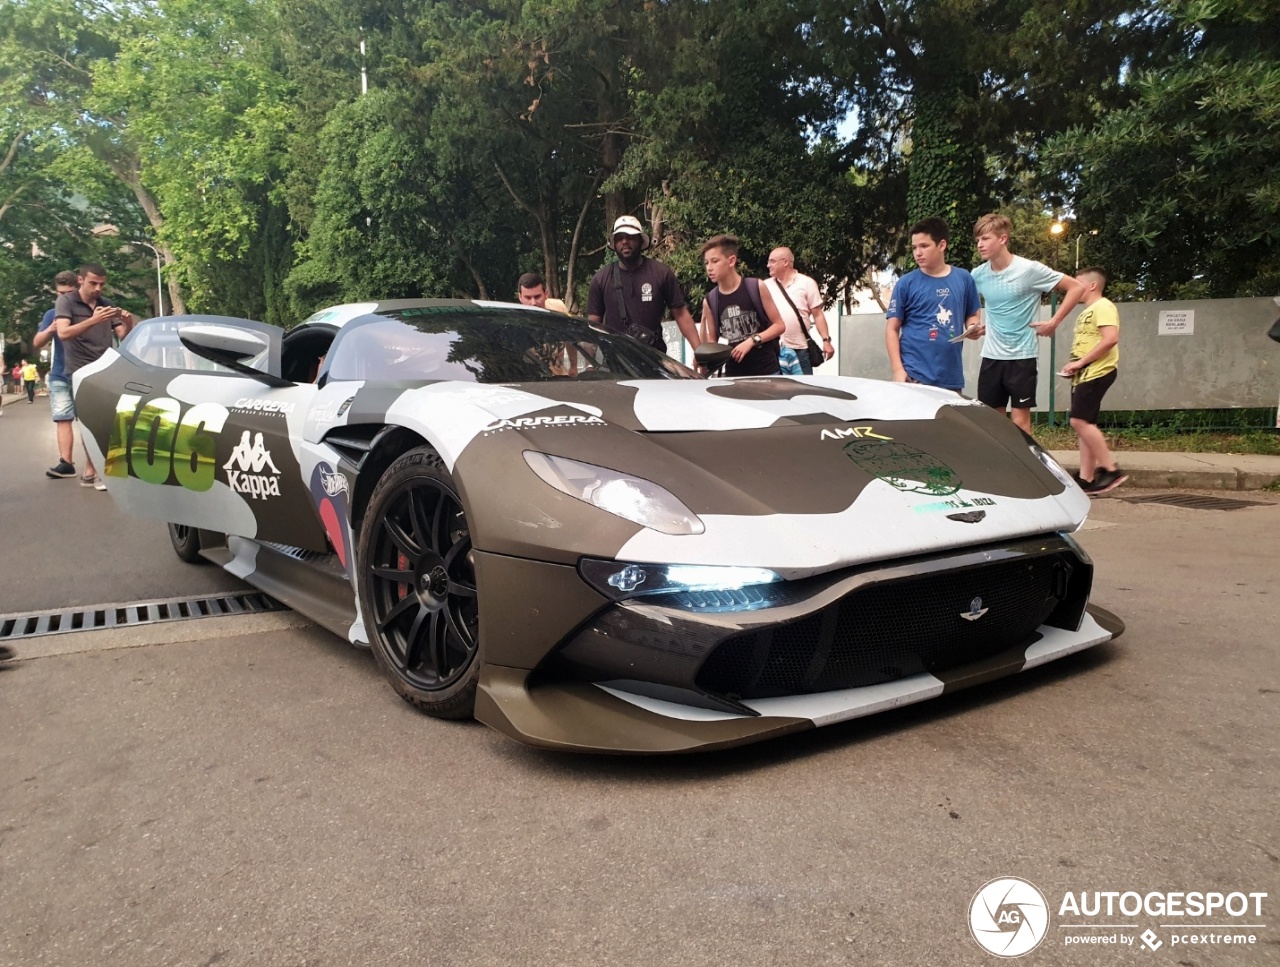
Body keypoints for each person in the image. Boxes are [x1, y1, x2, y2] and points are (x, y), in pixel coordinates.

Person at [971, 213, 1085, 433]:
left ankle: (1022, 467)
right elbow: (970, 305)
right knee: (993, 423)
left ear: (1002, 239)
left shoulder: (1028, 270)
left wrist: (1054, 322)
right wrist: (975, 326)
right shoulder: (978, 274)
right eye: (978, 240)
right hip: (991, 357)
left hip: (1022, 357)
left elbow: (1076, 288)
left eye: (985, 239)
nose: (980, 245)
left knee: (1020, 423)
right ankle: (1000, 467)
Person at [54, 263, 135, 490]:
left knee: (109, 419)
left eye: (102, 284)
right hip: (80, 370)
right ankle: (95, 471)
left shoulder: (106, 304)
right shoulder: (66, 301)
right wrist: (92, 321)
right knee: (90, 421)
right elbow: (63, 333)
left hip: (106, 368)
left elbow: (122, 336)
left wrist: (127, 321)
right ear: (80, 280)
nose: (98, 288)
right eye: (93, 283)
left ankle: (92, 471)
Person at [885, 218, 982, 392]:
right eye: (914, 248)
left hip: (951, 379)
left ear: (942, 245)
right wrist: (898, 370)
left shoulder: (964, 278)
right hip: (914, 378)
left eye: (924, 246)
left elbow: (972, 314)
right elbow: (892, 329)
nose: (918, 253)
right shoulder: (906, 283)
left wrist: (973, 327)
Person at [586, 215, 702, 354]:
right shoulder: (601, 279)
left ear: (641, 241)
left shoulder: (661, 273)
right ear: (614, 244)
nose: (625, 242)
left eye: (630, 237)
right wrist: (590, 365)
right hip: (616, 361)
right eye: (620, 238)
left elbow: (681, 313)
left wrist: (699, 352)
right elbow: (593, 324)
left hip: (654, 358)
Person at [1061, 266, 1128, 495]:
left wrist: (1081, 363)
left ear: (1091, 285)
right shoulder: (1088, 310)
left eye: (1078, 283)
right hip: (1085, 373)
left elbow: (1110, 339)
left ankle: (1111, 470)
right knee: (1086, 424)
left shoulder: (1104, 306)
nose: (1073, 288)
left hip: (1098, 371)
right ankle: (1086, 478)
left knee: (1078, 421)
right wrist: (1075, 366)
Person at [700, 234, 786, 376]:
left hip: (767, 372)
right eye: (706, 263)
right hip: (734, 375)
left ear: (731, 261)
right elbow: (713, 341)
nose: (709, 268)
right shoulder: (710, 300)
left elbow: (779, 325)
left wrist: (752, 341)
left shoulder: (755, 287)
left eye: (714, 261)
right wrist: (703, 358)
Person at [33, 271, 82, 478]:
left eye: (69, 293)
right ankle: (66, 463)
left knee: (90, 420)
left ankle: (96, 465)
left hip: (85, 372)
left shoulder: (85, 310)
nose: (64, 298)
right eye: (60, 293)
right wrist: (51, 329)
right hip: (60, 373)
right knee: (63, 418)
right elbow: (37, 342)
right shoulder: (51, 314)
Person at [764, 246, 833, 375]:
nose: (768, 265)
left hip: (800, 349)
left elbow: (818, 315)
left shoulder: (807, 283)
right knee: (774, 392)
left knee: (803, 392)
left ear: (785, 262)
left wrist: (826, 341)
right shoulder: (765, 285)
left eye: (772, 261)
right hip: (774, 350)